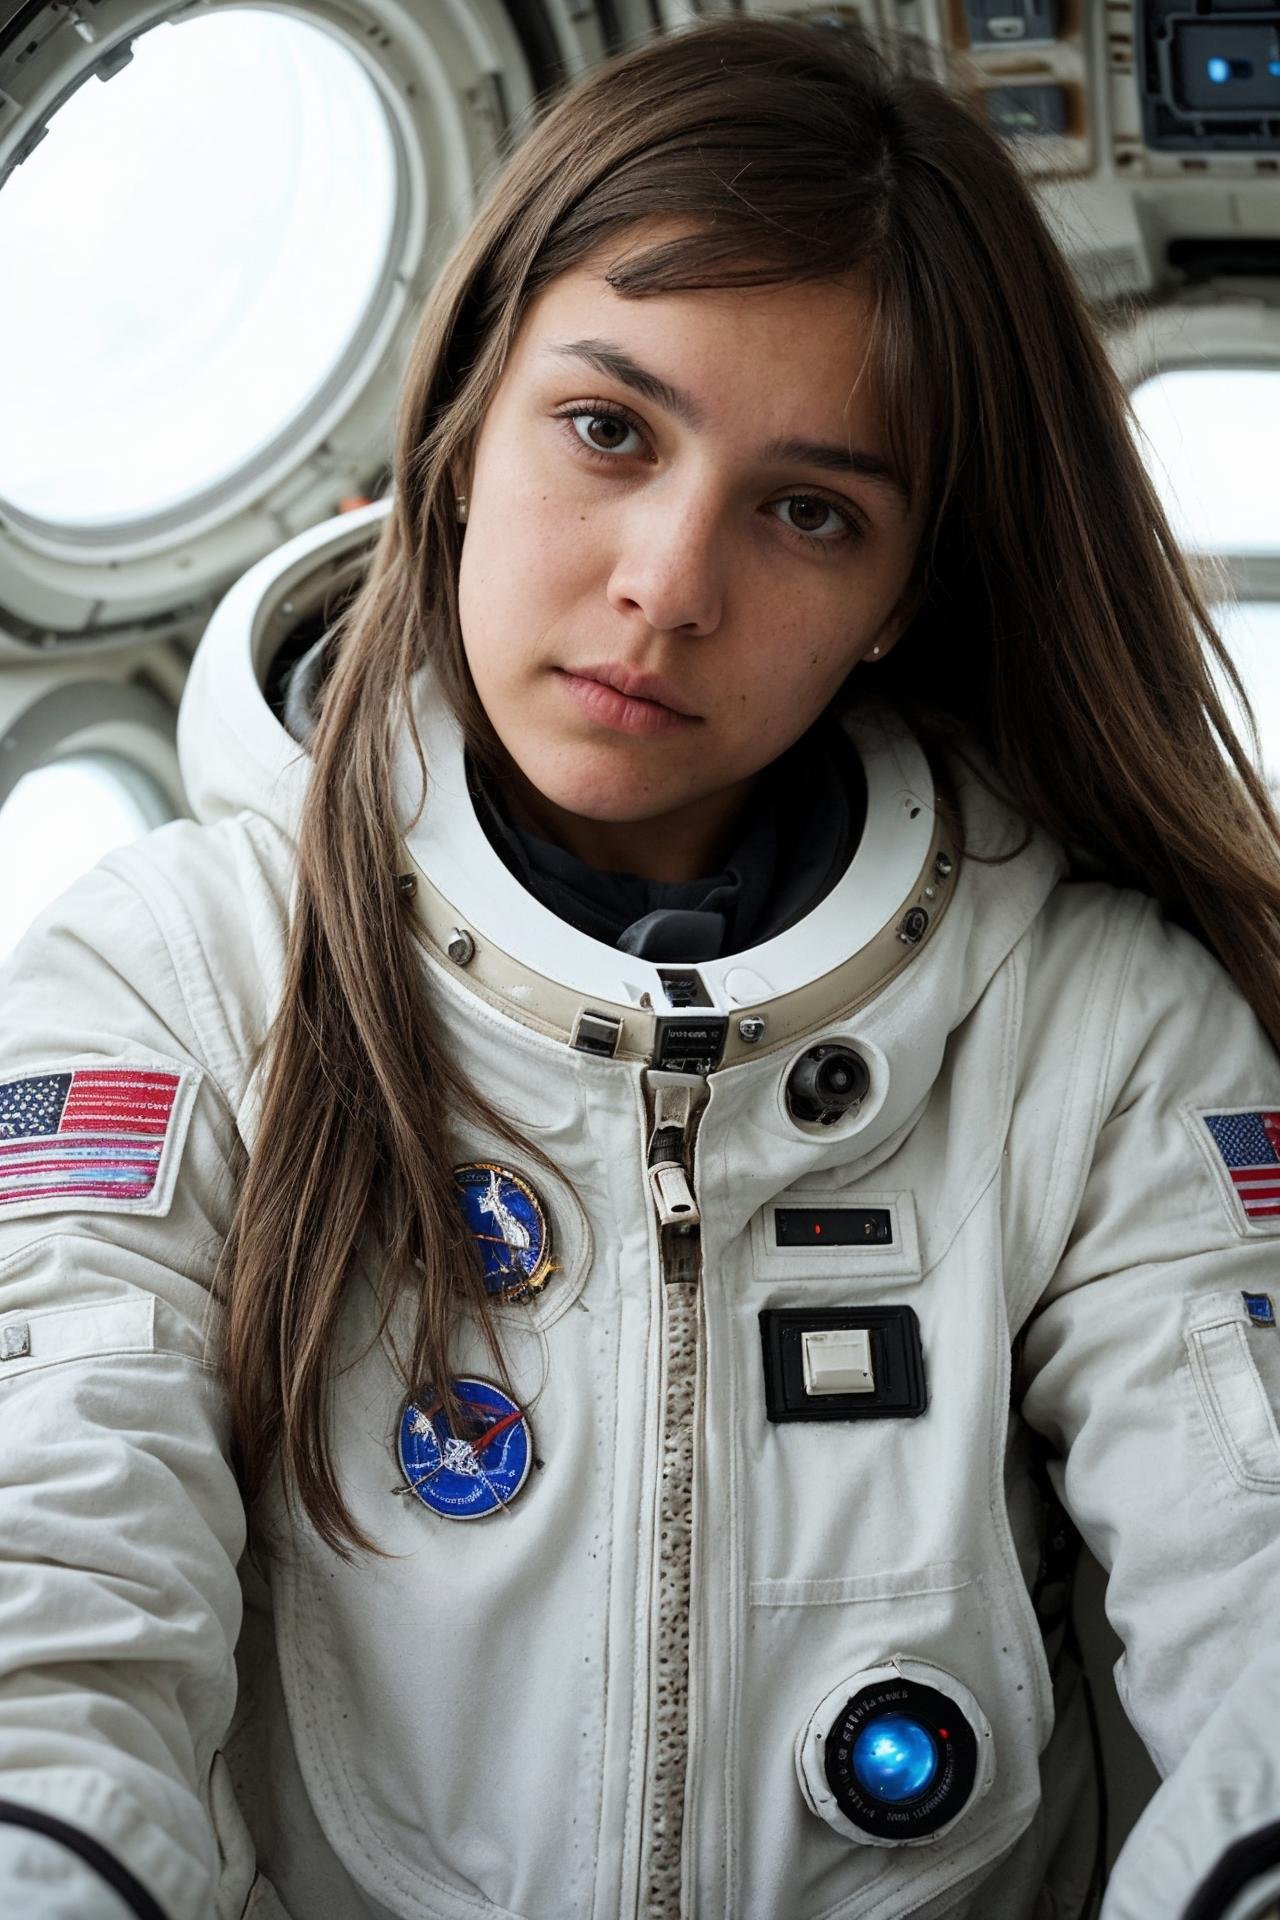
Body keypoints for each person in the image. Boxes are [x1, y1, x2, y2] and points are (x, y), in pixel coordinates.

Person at [2, 13, 1280, 1919]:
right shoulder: (179, 970)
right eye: (609, 428)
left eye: (809, 512)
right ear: (462, 416)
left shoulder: (1092, 1025)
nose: (670, 583)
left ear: (893, 606)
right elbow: (49, 1629)